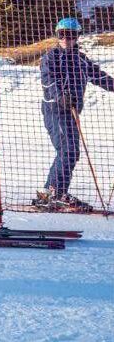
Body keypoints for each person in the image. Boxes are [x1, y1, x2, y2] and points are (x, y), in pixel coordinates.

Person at [33, 17, 114, 212]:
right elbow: (48, 80)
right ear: (57, 35)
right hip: (55, 110)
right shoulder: (50, 57)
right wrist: (61, 96)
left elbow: (99, 76)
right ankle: (54, 193)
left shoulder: (81, 59)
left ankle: (53, 192)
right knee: (67, 150)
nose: (66, 39)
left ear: (77, 36)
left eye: (71, 35)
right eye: (62, 34)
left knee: (72, 153)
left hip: (72, 113)